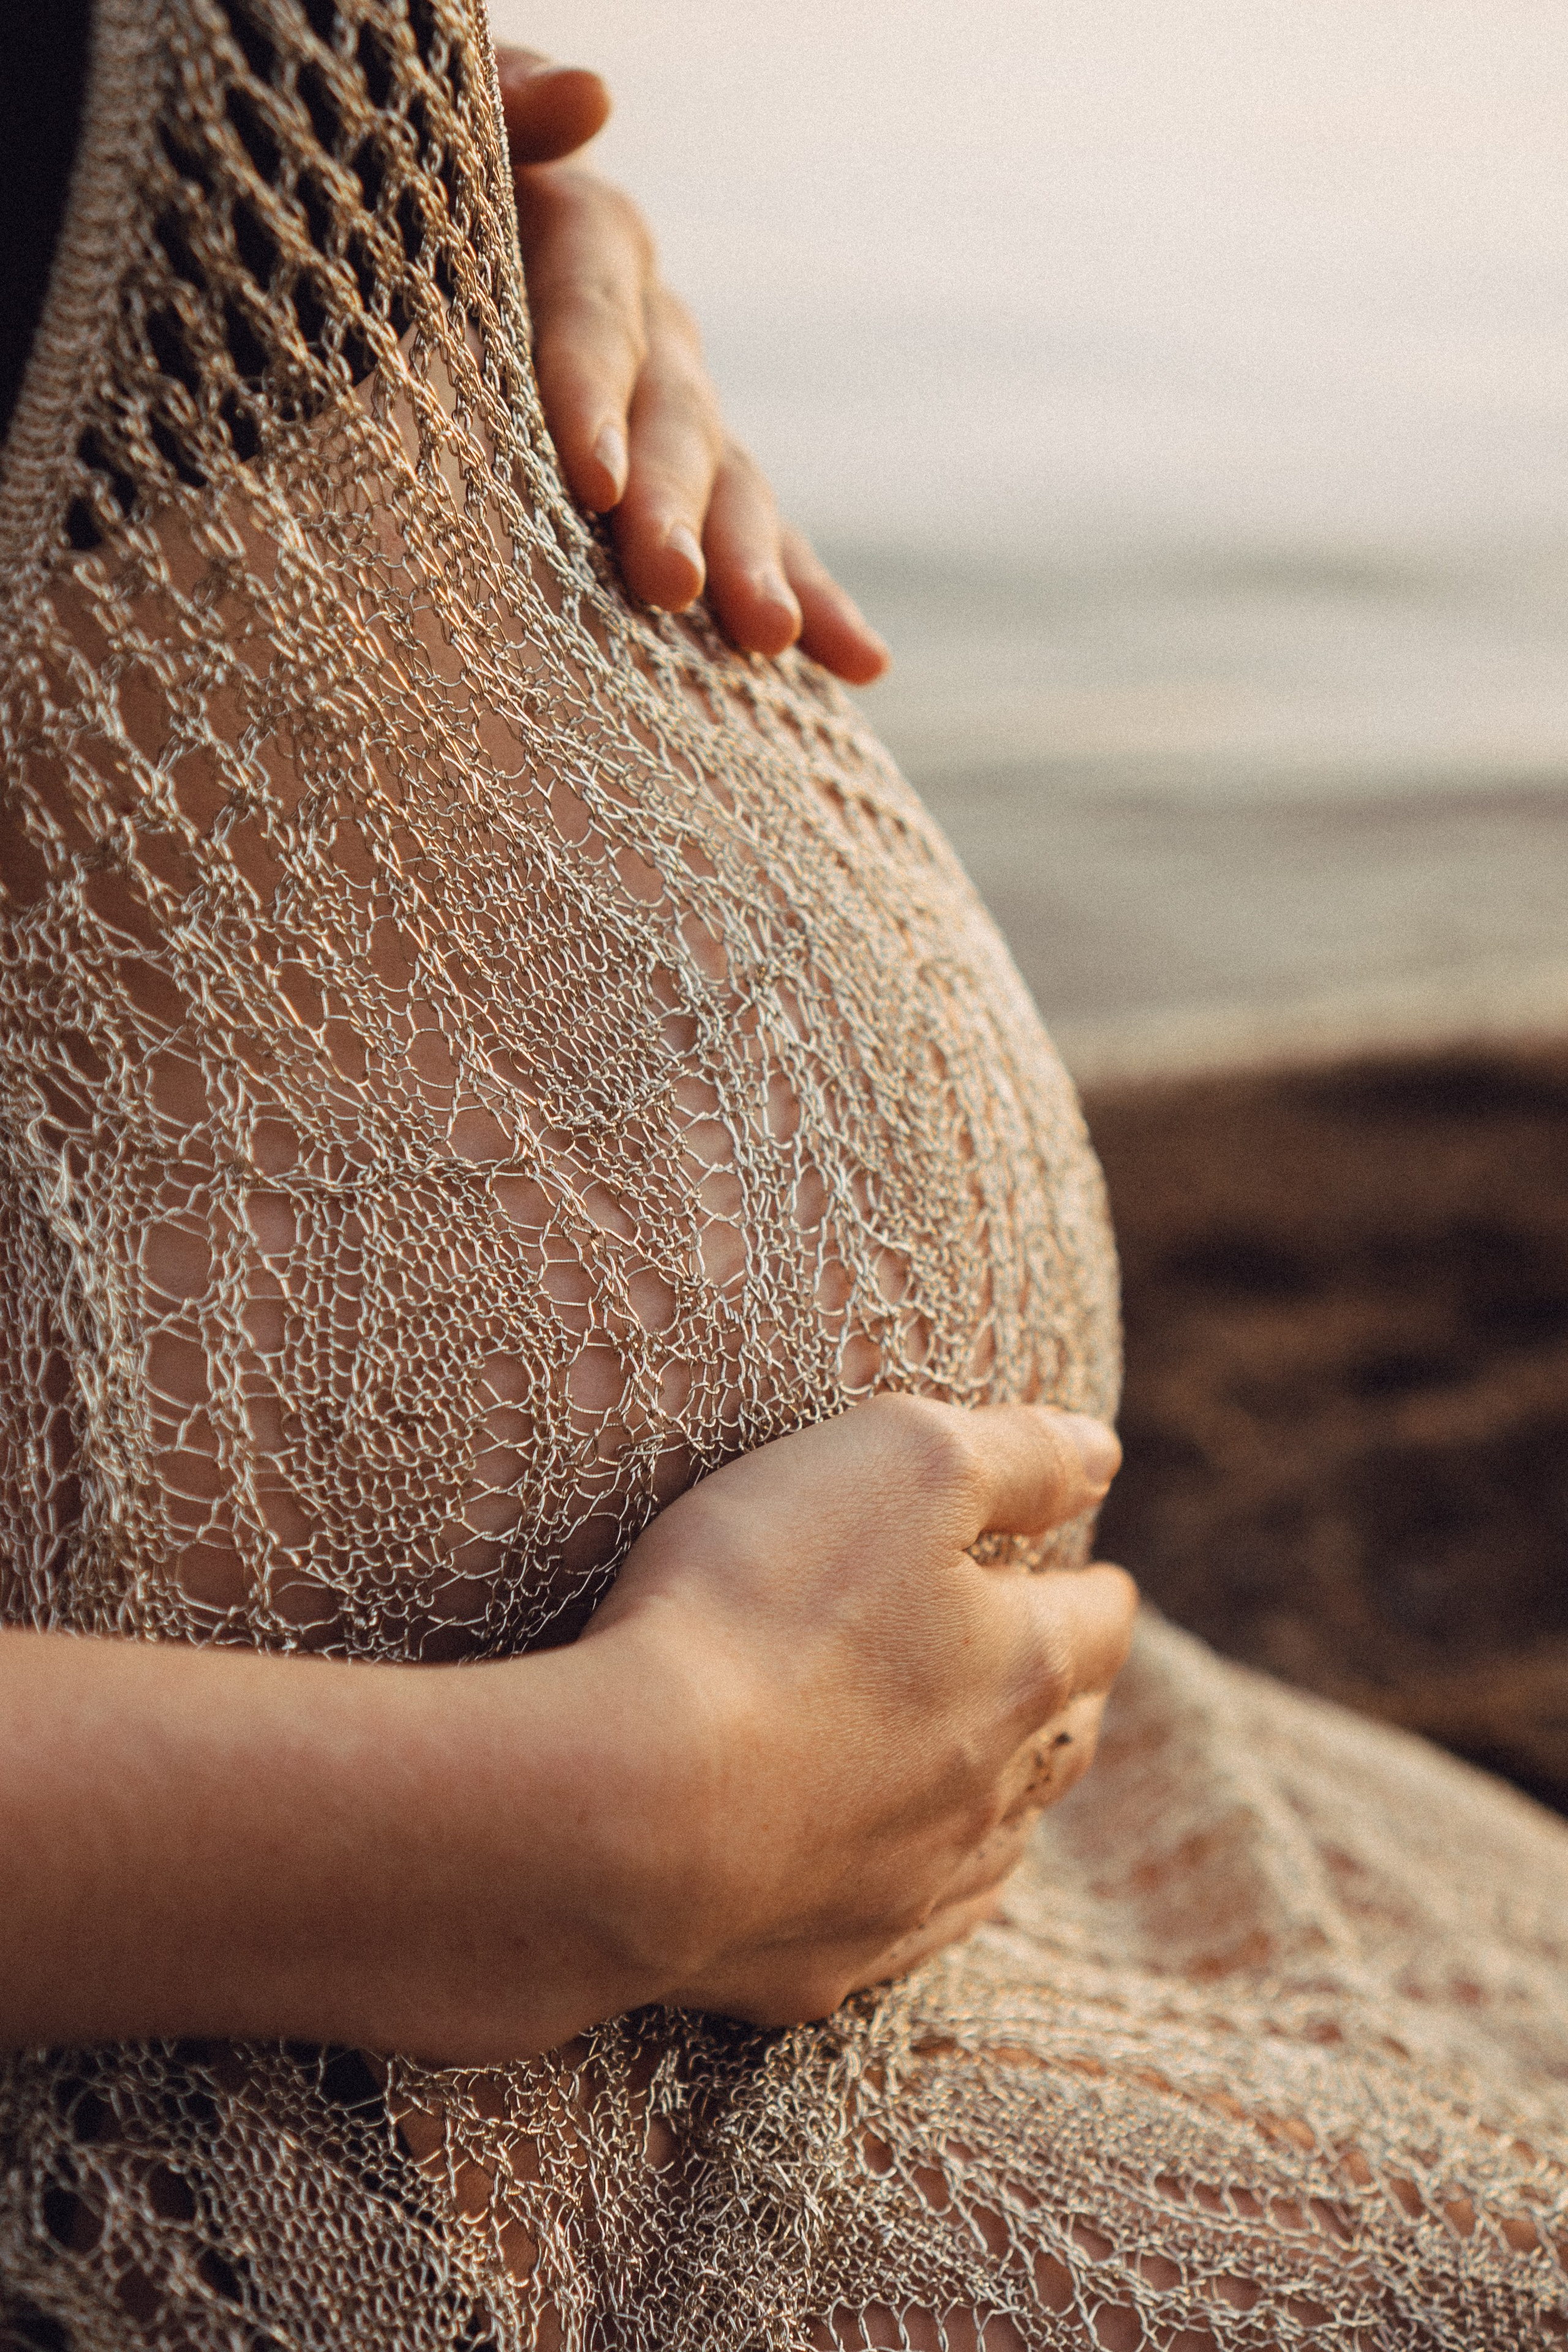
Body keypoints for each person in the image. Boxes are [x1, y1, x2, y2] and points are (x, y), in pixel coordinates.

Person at [2, 7, 1567, 2348]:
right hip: (330, 2033)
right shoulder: (549, 1859)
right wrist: (567, 1834)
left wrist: (400, 275)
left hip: (842, 1830)